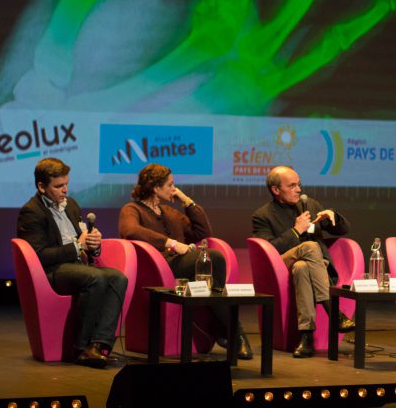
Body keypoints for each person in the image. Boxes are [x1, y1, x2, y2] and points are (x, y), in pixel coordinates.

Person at [118, 163, 252, 359]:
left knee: (213, 260)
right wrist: (171, 243)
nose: (175, 189)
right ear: (156, 188)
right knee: (213, 258)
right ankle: (233, 333)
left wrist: (186, 201)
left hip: (180, 264)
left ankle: (226, 329)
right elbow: (131, 231)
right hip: (158, 267)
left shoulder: (169, 212)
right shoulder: (132, 209)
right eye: (171, 185)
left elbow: (203, 233)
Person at [16, 158, 128, 368]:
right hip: (52, 270)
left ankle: (99, 345)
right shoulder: (31, 212)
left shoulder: (71, 205)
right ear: (41, 186)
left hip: (76, 267)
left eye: (66, 184)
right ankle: (80, 348)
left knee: (118, 278)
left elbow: (84, 243)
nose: (65, 190)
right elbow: (39, 255)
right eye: (58, 186)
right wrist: (78, 246)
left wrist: (93, 244)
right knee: (95, 277)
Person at [251, 165, 356, 358]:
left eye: (299, 184)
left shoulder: (311, 205)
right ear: (276, 190)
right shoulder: (263, 215)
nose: (299, 190)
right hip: (282, 267)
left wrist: (333, 216)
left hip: (314, 269)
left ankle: (306, 338)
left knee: (301, 268)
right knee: (310, 247)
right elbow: (269, 250)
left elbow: (343, 230)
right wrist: (296, 231)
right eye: (292, 186)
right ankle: (334, 311)